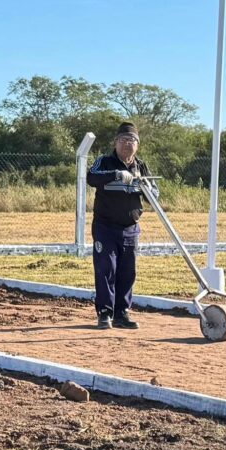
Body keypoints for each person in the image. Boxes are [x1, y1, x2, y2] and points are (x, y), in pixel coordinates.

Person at [85, 121, 151, 329]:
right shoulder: (103, 161)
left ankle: (122, 312)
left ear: (137, 145)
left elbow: (153, 194)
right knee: (107, 268)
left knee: (127, 271)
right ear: (115, 143)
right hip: (105, 227)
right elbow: (91, 177)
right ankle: (105, 312)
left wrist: (148, 187)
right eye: (123, 140)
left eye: (131, 140)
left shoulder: (140, 166)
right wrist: (116, 175)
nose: (127, 144)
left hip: (130, 228)